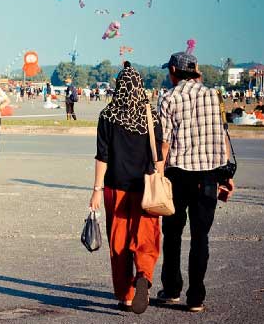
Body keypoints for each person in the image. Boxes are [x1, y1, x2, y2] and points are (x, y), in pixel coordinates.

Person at [157, 51, 235, 313]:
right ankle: (196, 297)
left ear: (173, 71)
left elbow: (165, 141)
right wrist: (227, 176)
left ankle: (171, 289)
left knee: (173, 233)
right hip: (209, 175)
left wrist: (157, 173)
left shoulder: (168, 97)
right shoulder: (214, 96)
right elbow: (222, 135)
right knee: (201, 236)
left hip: (178, 174)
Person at [90, 65, 163, 314]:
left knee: (119, 242)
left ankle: (126, 295)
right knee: (146, 237)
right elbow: (158, 156)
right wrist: (160, 181)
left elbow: (103, 156)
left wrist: (96, 190)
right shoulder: (150, 116)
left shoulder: (108, 115)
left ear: (119, 86)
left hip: (115, 187)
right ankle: (144, 274)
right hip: (146, 188)